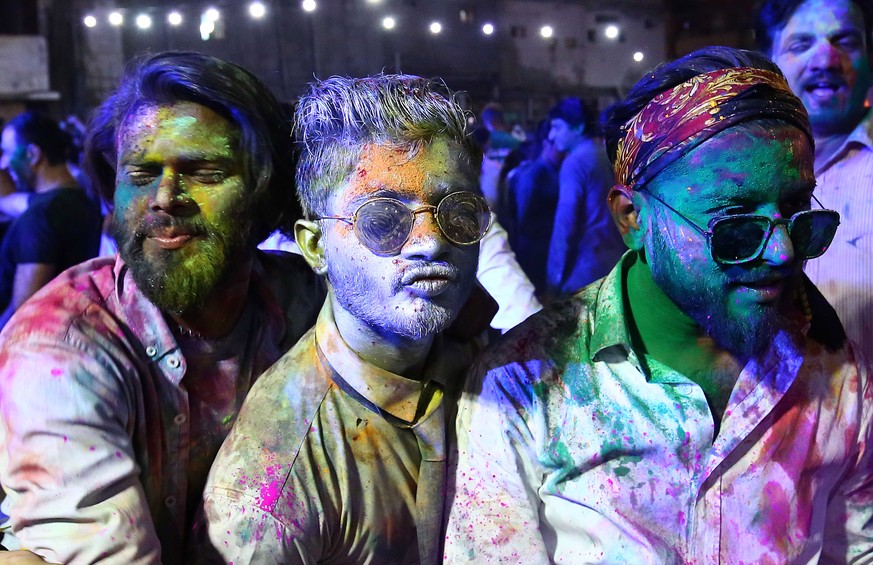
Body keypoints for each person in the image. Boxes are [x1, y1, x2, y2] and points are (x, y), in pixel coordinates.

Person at [444, 46, 872, 563]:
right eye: (735, 225)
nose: (782, 251)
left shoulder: (837, 372)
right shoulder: (523, 386)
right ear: (632, 218)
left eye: (799, 212)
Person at [0, 51, 323, 564]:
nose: (165, 197)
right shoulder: (59, 343)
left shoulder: (307, 303)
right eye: (143, 172)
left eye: (206, 171)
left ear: (266, 194)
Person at [200, 74, 487, 564]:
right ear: (315, 247)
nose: (431, 241)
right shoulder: (273, 490)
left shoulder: (497, 359)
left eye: (456, 210)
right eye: (382, 218)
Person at [756, 0, 873, 363]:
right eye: (801, 44)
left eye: (846, 42)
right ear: (768, 61)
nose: (825, 60)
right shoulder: (726, 173)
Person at [0, 112, 102, 329]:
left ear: (33, 154)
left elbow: (23, 311)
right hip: (70, 327)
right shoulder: (82, 201)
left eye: (8, 153)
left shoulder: (39, 217)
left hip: (30, 340)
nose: (5, 165)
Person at [545, 96, 625, 298]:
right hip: (614, 263)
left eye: (557, 127)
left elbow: (565, 224)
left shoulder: (575, 162)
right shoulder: (604, 154)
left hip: (584, 269)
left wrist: (553, 279)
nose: (552, 136)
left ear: (578, 127)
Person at [501, 120, 565, 295]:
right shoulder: (533, 175)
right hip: (533, 252)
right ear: (546, 143)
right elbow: (523, 222)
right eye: (557, 145)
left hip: (543, 249)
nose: (563, 150)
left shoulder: (553, 171)